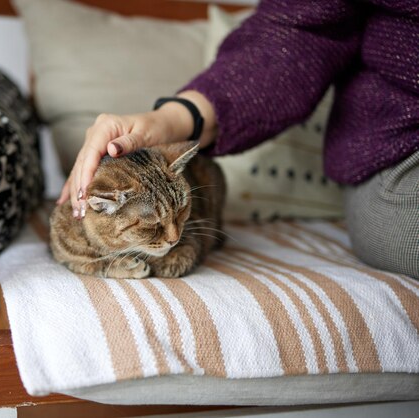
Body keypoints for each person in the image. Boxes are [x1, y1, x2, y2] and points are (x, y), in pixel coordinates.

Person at [57, 0, 419, 278]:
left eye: (178, 215)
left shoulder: (172, 216)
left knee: (204, 175)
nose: (172, 236)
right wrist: (171, 119)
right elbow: (300, 35)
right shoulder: (92, 218)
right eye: (157, 226)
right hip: (404, 134)